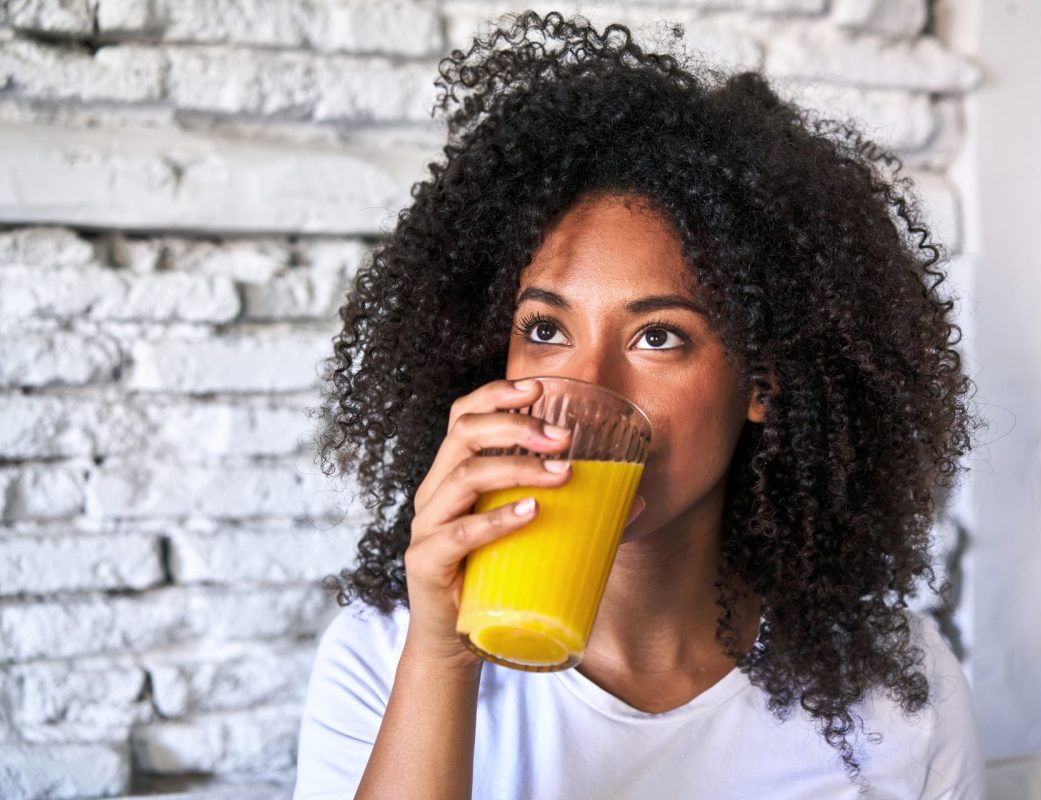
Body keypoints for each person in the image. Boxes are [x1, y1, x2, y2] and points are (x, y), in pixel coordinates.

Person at [294, 10, 986, 800]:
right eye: (547, 328)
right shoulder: (385, 655)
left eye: (658, 337)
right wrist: (441, 662)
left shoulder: (898, 692)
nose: (584, 391)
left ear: (763, 382)